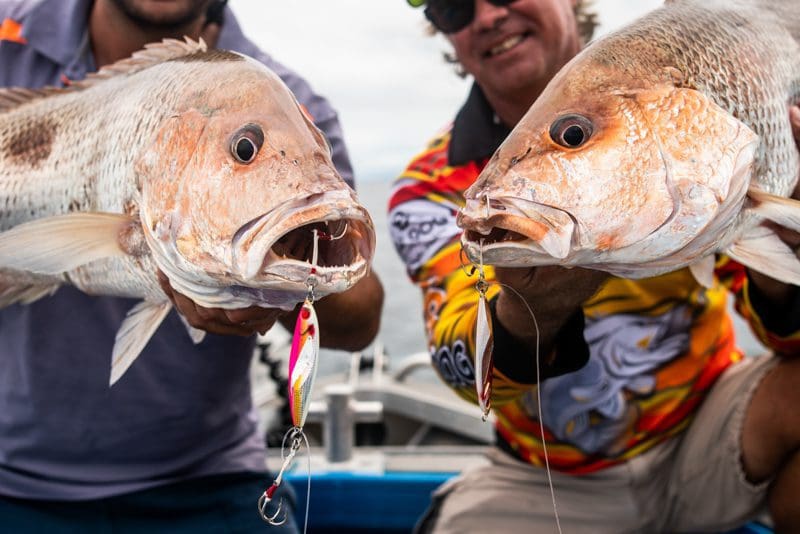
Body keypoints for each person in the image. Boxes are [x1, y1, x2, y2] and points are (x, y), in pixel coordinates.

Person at [389, 1, 800, 532]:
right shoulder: (431, 191)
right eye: (453, 6)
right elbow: (465, 373)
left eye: (574, 135)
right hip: (546, 481)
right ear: (447, 38)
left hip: (712, 430)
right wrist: (529, 311)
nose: (488, 16)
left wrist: (781, 245)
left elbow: (784, 341)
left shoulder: (701, 128)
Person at [0, 0, 383, 531]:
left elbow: (361, 319)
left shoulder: (291, 102)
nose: (252, 152)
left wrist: (289, 283)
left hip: (209, 480)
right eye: (245, 150)